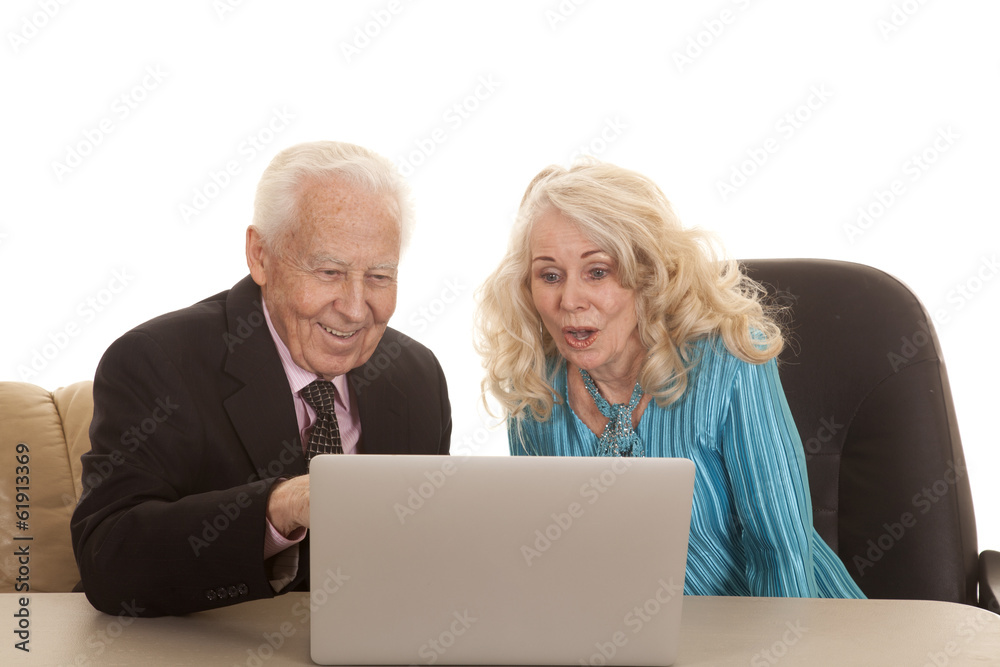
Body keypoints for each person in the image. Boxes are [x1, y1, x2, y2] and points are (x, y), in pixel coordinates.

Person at [71, 141, 452, 617]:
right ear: (261, 256)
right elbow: (108, 559)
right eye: (330, 271)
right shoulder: (156, 361)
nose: (356, 309)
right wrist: (278, 507)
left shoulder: (419, 377)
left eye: (379, 276)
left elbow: (425, 558)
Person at [475, 160, 864, 598]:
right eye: (549, 276)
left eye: (597, 271)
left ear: (648, 275)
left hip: (791, 634)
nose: (569, 299)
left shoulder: (729, 359)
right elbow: (554, 570)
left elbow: (780, 556)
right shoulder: (533, 389)